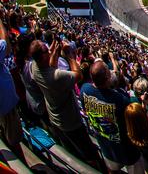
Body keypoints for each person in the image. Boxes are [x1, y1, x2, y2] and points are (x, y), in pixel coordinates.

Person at [30, 39, 103, 169]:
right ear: (42, 56)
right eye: (47, 50)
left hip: (55, 118)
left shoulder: (34, 67)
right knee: (90, 154)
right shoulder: (56, 76)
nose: (50, 50)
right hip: (71, 122)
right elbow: (78, 75)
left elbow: (50, 65)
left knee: (72, 151)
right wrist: (70, 56)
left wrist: (56, 51)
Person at [80, 60, 143, 173]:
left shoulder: (84, 89)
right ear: (108, 77)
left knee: (113, 170)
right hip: (127, 151)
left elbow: (85, 111)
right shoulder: (120, 100)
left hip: (106, 146)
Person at [0, 19, 26, 165]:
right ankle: (22, 166)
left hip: (4, 105)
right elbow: (5, 45)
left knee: (7, 135)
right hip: (6, 106)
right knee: (15, 140)